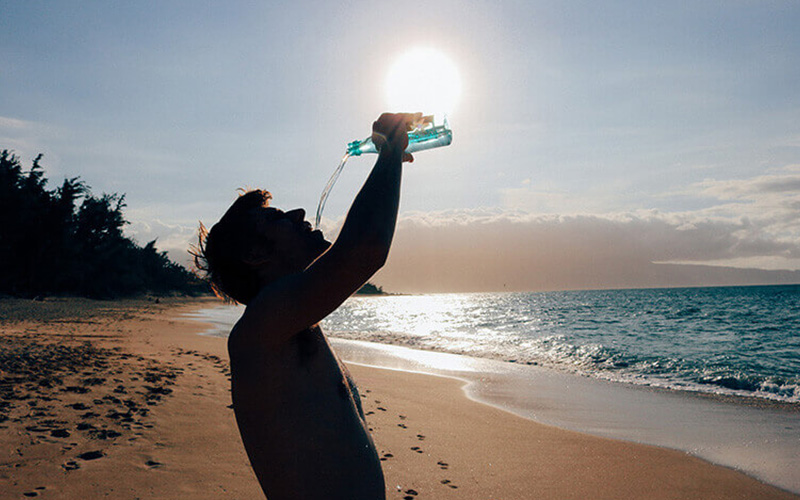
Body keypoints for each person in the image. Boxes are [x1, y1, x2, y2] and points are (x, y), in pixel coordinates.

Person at [193, 112, 420, 499]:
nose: (299, 214)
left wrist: (390, 157)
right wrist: (389, 151)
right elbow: (364, 251)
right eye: (278, 218)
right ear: (254, 254)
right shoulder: (260, 329)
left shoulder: (292, 324)